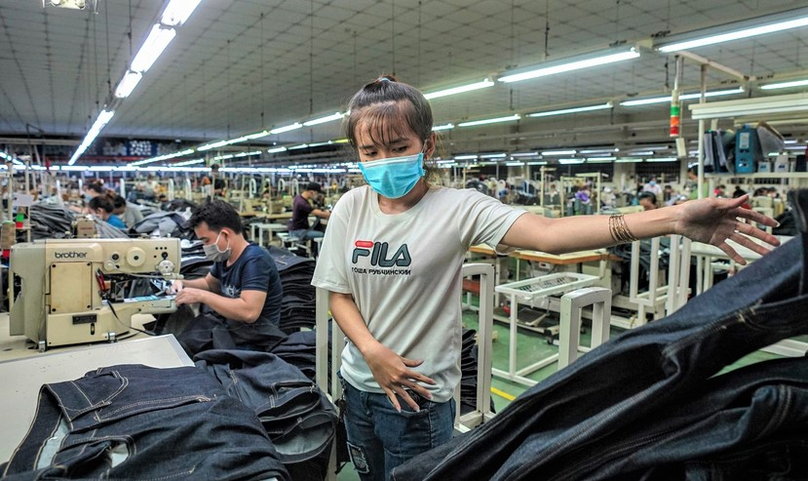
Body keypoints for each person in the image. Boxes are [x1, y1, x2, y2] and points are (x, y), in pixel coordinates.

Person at [310, 75, 780, 481]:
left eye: (398, 148)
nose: (384, 161)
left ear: (427, 145)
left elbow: (550, 234)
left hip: (417, 399)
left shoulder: (457, 208)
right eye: (370, 152)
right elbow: (338, 294)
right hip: (358, 387)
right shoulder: (351, 208)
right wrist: (371, 353)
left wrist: (674, 218)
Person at [169, 198, 285, 352]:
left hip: (256, 341)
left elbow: (249, 312)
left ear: (225, 234)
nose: (205, 247)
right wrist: (183, 283)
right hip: (231, 331)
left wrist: (201, 296)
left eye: (206, 240)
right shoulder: (225, 256)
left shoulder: (255, 260)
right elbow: (210, 284)